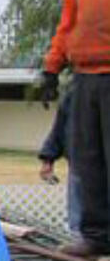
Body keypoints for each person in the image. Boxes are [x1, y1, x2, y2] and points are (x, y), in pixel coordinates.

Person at [40, 0, 110, 261]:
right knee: (88, 160)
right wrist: (52, 67)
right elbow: (69, 22)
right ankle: (96, 236)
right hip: (86, 77)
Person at [38, 89, 81, 236]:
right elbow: (59, 127)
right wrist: (47, 158)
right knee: (78, 226)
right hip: (80, 165)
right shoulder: (74, 92)